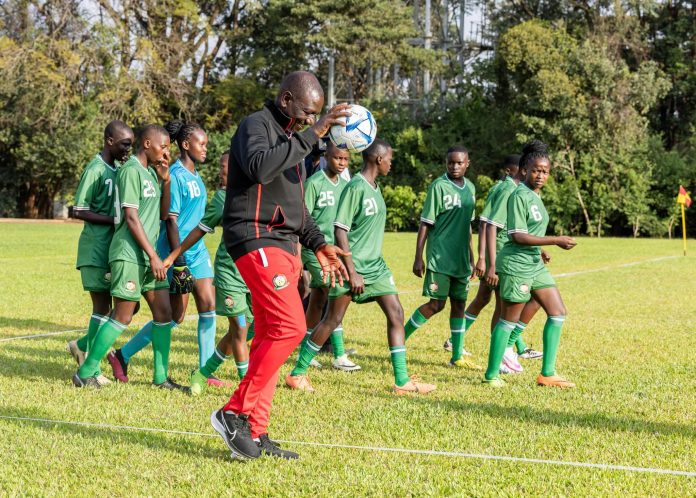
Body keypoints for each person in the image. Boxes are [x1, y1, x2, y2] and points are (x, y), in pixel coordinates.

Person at [210, 71, 350, 460]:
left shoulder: (297, 142)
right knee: (292, 327)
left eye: (318, 115)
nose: (311, 120)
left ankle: (256, 430)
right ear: (286, 99)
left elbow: (296, 206)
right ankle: (233, 411)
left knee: (273, 334)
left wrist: (319, 244)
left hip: (286, 244)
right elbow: (257, 167)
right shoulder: (256, 125)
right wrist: (313, 133)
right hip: (254, 236)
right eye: (308, 112)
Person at [286, 139, 437, 396]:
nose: (392, 163)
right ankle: (297, 373)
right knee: (332, 319)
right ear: (379, 159)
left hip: (376, 266)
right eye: (390, 158)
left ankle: (401, 380)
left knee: (396, 314)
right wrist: (352, 270)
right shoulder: (355, 187)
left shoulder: (374, 187)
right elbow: (340, 229)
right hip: (351, 267)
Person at [107, 121, 221, 386]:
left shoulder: (197, 176)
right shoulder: (177, 174)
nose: (205, 149)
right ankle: (123, 354)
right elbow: (170, 220)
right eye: (201, 144)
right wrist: (178, 259)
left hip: (198, 251)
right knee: (174, 317)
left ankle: (205, 370)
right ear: (185, 144)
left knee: (208, 305)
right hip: (175, 252)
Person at [72, 125, 186, 392]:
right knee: (123, 315)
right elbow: (131, 219)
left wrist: (166, 180)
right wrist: (153, 256)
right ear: (147, 144)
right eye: (164, 146)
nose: (167, 151)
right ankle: (85, 372)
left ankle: (161, 378)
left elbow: (161, 214)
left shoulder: (150, 173)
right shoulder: (131, 171)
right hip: (129, 254)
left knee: (164, 312)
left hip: (148, 257)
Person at [483, 140, 577, 388]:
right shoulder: (518, 196)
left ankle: (547, 373)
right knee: (507, 320)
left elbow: (530, 232)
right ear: (524, 170)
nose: (541, 175)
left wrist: (541, 249)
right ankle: (491, 374)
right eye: (536, 170)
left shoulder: (536, 197)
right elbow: (517, 235)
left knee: (557, 312)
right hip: (516, 265)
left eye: (545, 171)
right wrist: (555, 240)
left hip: (534, 263)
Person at [163, 151, 254, 395]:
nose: (223, 172)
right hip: (230, 271)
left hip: (253, 271)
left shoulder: (257, 192)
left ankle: (202, 372)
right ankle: (247, 386)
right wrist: (175, 255)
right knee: (238, 328)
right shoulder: (222, 198)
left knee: (252, 326)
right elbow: (199, 230)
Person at [67, 121, 134, 386]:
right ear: (109, 140)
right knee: (104, 307)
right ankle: (90, 368)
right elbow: (78, 209)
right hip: (95, 248)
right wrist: (115, 219)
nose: (128, 148)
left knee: (118, 307)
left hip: (111, 248)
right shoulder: (95, 169)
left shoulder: (118, 169)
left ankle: (81, 346)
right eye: (124, 143)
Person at [403, 146, 479, 369]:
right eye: (450, 163)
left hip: (461, 259)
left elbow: (468, 227)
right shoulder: (438, 186)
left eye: (459, 163)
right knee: (436, 304)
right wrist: (418, 257)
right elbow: (426, 223)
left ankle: (457, 356)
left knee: (459, 304)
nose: (454, 167)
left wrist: (473, 258)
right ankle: (400, 340)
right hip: (440, 257)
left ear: (467, 163)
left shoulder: (471, 189)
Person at [441, 155, 519, 355]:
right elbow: (486, 223)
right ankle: (501, 353)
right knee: (505, 305)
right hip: (499, 255)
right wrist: (483, 258)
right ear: (511, 171)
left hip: (496, 253)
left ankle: (454, 340)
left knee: (485, 298)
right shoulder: (507, 189)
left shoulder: (502, 188)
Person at [301, 142, 358, 371]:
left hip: (334, 251)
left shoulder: (346, 185)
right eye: (337, 158)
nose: (341, 163)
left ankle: (305, 347)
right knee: (337, 292)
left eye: (345, 160)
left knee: (317, 300)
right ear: (327, 157)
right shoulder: (314, 182)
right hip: (315, 249)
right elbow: (302, 217)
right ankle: (340, 356)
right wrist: (299, 253)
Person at [484, 159, 544, 374]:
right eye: (534, 169)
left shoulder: (529, 192)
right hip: (506, 257)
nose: (539, 174)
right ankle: (499, 360)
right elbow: (490, 225)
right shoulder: (510, 190)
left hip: (524, 257)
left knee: (526, 302)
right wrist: (488, 263)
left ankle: (511, 348)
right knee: (502, 309)